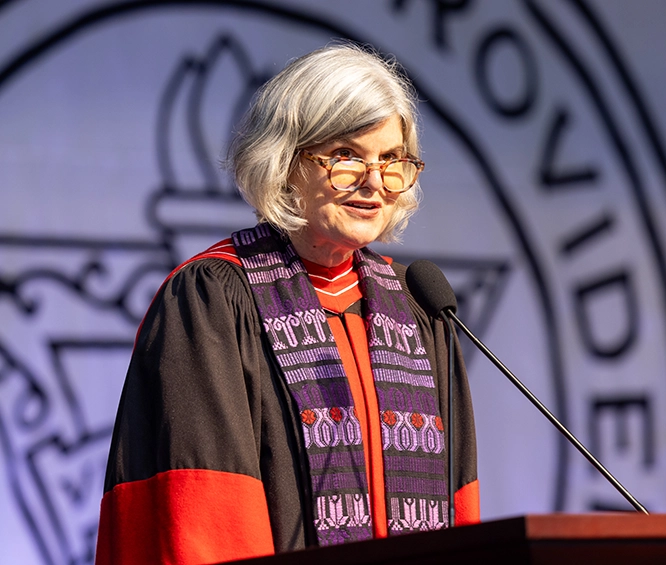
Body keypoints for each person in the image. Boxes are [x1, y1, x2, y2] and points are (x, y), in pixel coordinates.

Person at [96, 43, 479, 565]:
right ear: (285, 163)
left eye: (392, 161)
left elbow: (461, 512)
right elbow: (207, 515)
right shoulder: (215, 302)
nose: (374, 182)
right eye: (346, 156)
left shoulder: (417, 310)